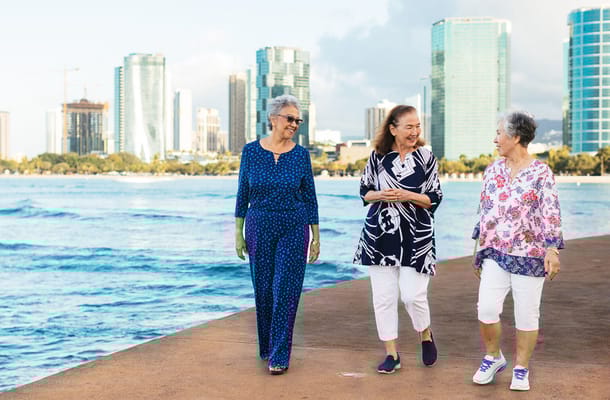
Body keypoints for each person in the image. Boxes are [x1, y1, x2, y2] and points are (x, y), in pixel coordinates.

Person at [471, 111, 563, 391]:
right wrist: (478, 246)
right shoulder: (493, 169)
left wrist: (552, 249)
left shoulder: (541, 172)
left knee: (526, 314)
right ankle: (493, 357)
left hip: (530, 253)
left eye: (499, 133)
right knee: (486, 308)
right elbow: (484, 210)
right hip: (495, 251)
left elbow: (550, 211)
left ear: (515, 137)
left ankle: (521, 368)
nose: (495, 139)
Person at [353, 105, 443, 374]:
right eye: (409, 126)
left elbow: (433, 198)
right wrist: (381, 195)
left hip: (417, 237)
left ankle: (424, 333)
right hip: (379, 236)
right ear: (393, 129)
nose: (415, 131)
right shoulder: (377, 157)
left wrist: (407, 195)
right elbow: (365, 193)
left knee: (413, 295)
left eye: (417, 126)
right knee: (383, 297)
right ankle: (392, 354)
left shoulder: (427, 158)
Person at [234, 94, 320, 375]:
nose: (295, 124)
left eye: (299, 120)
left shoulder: (301, 155)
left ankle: (280, 355)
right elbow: (242, 194)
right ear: (273, 119)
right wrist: (238, 232)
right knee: (264, 289)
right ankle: (267, 346)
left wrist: (316, 236)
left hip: (294, 226)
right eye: (290, 119)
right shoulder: (250, 152)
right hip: (259, 225)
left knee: (286, 289)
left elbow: (310, 197)